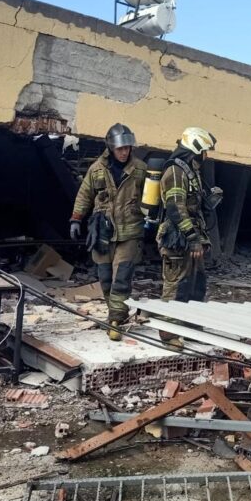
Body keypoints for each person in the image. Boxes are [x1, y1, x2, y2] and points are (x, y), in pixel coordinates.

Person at [70, 123, 147, 340]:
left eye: (127, 148)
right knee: (105, 277)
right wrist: (76, 219)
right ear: (111, 148)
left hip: (130, 231)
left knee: (121, 277)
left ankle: (116, 320)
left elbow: (151, 197)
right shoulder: (96, 169)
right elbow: (84, 195)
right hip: (103, 231)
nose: (124, 152)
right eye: (120, 149)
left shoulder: (140, 169)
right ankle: (115, 312)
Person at [156, 127, 220, 348]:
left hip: (193, 236)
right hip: (178, 238)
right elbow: (175, 207)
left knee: (196, 282)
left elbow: (193, 203)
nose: (206, 156)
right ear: (195, 148)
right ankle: (169, 333)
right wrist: (192, 237)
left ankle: (192, 326)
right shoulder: (175, 172)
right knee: (176, 284)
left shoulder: (189, 170)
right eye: (204, 151)